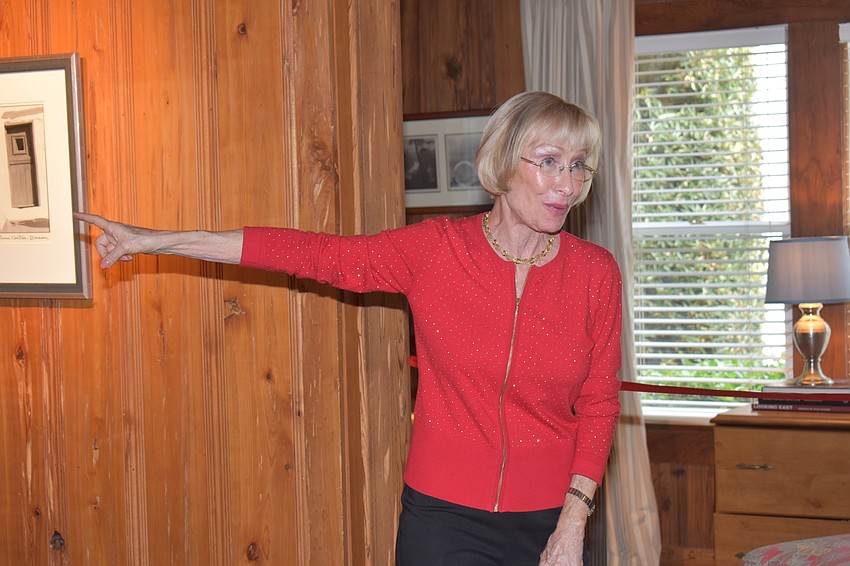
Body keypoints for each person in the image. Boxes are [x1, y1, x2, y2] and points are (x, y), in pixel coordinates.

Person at [75, 90, 622, 566]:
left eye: (579, 165)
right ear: (503, 165)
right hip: (443, 516)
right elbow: (312, 254)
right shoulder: (436, 251)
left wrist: (573, 523)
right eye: (549, 161)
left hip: (552, 516)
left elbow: (599, 404)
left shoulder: (596, 273)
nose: (567, 184)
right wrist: (153, 239)